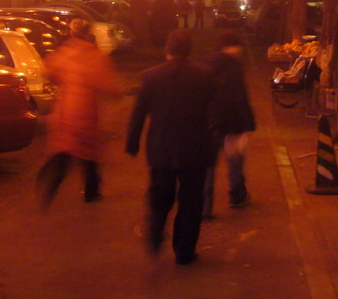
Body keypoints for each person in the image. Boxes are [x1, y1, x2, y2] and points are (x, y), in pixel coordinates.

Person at [126, 29, 215, 265]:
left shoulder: (150, 76)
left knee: (160, 195)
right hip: (195, 149)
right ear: (189, 49)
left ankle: (155, 235)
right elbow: (214, 112)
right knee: (191, 201)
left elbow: (138, 114)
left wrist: (132, 142)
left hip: (162, 147)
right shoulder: (204, 76)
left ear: (168, 49)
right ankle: (184, 251)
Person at [37, 18, 121, 207]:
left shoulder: (64, 52)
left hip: (65, 111)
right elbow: (110, 86)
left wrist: (62, 81)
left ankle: (49, 183)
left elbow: (48, 71)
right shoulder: (96, 57)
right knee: (89, 154)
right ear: (89, 34)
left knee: (66, 150)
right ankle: (91, 192)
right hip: (86, 112)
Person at [203, 31, 256, 218]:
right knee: (235, 161)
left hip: (209, 123)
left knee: (208, 166)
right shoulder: (234, 67)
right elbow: (240, 98)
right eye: (237, 46)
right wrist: (249, 122)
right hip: (232, 123)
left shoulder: (205, 64)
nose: (240, 50)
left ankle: (205, 206)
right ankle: (237, 196)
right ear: (230, 46)